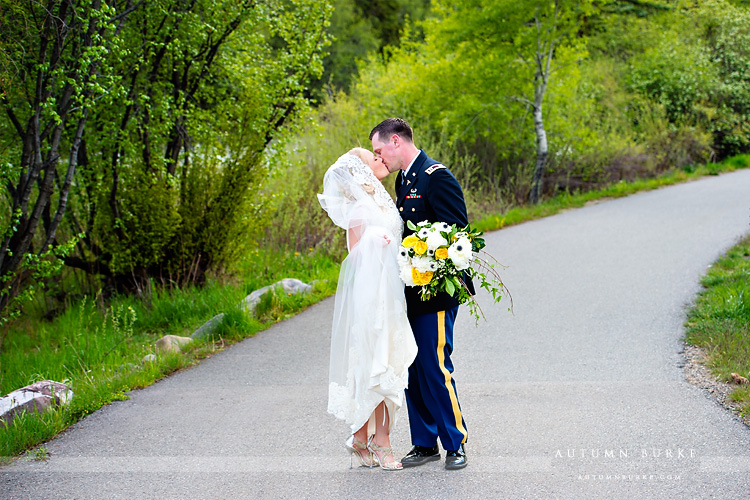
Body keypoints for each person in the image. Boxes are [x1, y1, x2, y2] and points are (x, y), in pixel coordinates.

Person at [370, 118, 474, 470]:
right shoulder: (404, 179)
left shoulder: (436, 176)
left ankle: (455, 441)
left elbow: (458, 233)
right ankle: (425, 442)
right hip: (409, 290)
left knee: (435, 366)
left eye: (380, 150)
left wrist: (429, 258)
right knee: (412, 367)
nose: (379, 158)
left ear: (395, 141)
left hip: (436, 292)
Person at [318, 147, 418, 471]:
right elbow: (354, 257)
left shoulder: (384, 201)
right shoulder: (359, 209)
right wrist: (374, 239)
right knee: (378, 363)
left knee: (387, 361)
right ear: (361, 172)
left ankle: (362, 438)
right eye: (372, 158)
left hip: (391, 293)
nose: (380, 159)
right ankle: (381, 441)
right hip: (371, 296)